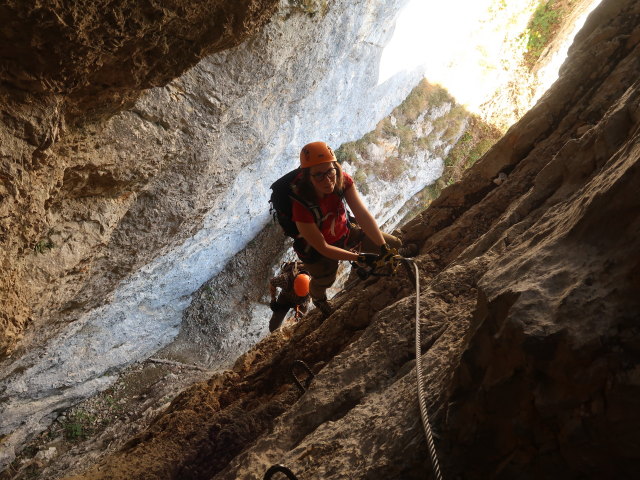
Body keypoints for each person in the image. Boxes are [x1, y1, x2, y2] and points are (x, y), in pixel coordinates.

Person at [291, 141, 417, 317]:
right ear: (308, 177)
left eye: (330, 171)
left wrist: (383, 248)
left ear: (336, 167)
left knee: (394, 243)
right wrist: (359, 258)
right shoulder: (301, 205)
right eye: (319, 175)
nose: (327, 180)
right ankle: (318, 299)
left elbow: (362, 215)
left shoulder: (343, 181)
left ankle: (394, 253)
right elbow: (323, 247)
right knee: (325, 279)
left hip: (346, 233)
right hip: (318, 252)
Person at [268, 261, 311, 332]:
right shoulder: (285, 279)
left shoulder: (314, 285)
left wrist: (299, 310)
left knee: (303, 322)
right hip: (286, 297)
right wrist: (273, 300)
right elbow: (272, 282)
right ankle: (274, 331)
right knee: (273, 326)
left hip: (302, 300)